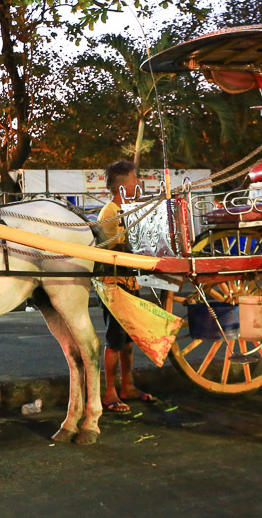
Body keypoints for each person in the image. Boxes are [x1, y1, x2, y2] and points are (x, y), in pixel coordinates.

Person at [95, 160, 156, 413]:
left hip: (128, 282)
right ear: (123, 186)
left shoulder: (126, 209)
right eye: (135, 178)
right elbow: (114, 249)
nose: (138, 182)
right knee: (115, 340)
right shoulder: (110, 212)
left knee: (128, 340)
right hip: (114, 284)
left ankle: (127, 386)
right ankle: (110, 392)